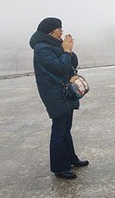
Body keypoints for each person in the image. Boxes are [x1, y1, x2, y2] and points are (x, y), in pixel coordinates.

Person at [29, 17, 88, 180]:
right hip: (54, 94)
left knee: (65, 128)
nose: (62, 31)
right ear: (50, 31)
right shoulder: (42, 49)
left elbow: (71, 64)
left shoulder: (54, 45)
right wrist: (66, 51)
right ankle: (60, 168)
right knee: (59, 130)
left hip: (63, 93)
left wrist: (67, 49)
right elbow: (61, 68)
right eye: (59, 29)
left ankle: (71, 159)